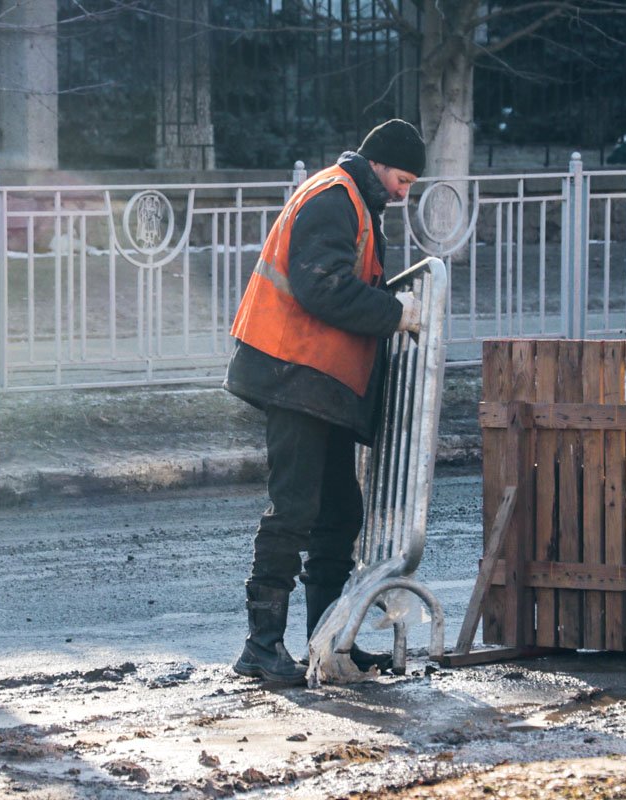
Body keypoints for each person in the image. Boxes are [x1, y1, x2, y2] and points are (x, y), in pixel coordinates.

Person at [223, 119, 427, 684]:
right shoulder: (335, 197)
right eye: (402, 179)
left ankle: (329, 643)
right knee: (295, 509)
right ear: (378, 163)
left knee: (338, 514)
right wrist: (394, 313)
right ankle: (260, 647)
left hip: (317, 384)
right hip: (294, 376)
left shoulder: (353, 202)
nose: (403, 192)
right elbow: (322, 286)